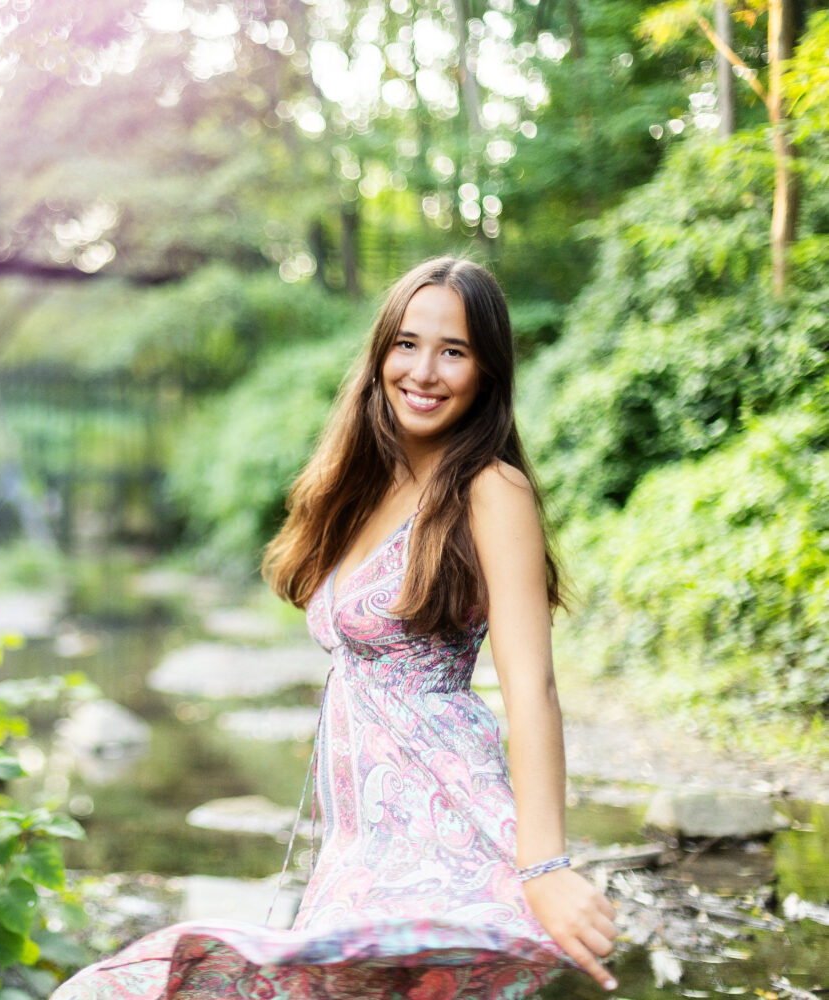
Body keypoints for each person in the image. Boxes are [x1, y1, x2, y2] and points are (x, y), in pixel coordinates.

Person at [52, 257, 619, 1000]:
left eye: (455, 351)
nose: (425, 370)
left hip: (441, 824)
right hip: (358, 842)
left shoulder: (490, 488)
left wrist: (544, 864)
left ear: (488, 371)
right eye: (407, 344)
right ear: (381, 352)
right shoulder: (366, 483)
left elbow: (533, 686)